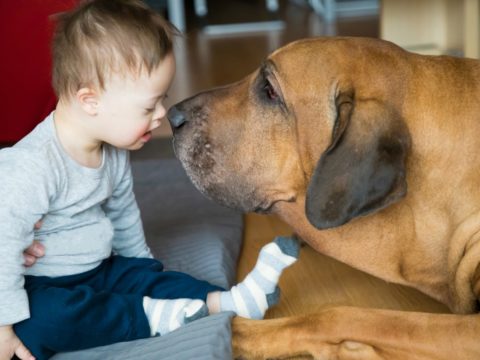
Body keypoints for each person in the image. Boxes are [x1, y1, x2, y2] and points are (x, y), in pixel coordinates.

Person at [0, 1, 299, 359]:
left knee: (149, 279)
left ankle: (228, 300)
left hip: (100, 267)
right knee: (42, 322)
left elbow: (124, 211)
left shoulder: (111, 151)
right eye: (148, 107)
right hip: (42, 284)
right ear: (90, 101)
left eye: (163, 100)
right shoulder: (33, 166)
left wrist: (143, 269)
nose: (162, 114)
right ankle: (151, 316)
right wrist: (3, 325)